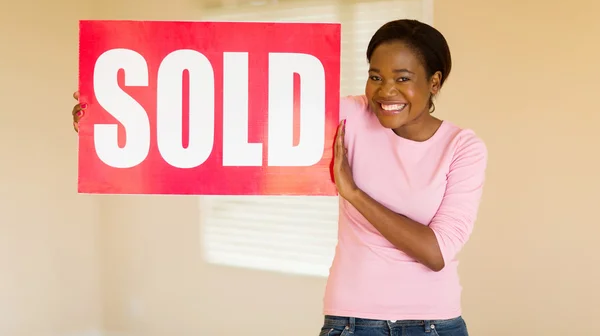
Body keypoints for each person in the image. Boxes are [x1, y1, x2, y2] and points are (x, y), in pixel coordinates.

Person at [72, 19, 487, 336]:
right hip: (353, 321)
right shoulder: (348, 116)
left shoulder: (463, 147)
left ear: (434, 82)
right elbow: (233, 123)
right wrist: (109, 119)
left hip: (434, 324)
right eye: (376, 76)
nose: (385, 91)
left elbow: (436, 252)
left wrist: (354, 194)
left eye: (402, 78)